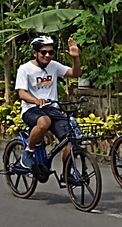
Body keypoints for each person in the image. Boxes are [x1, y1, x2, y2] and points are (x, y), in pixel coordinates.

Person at [15, 35, 81, 171]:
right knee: (44, 122)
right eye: (43, 52)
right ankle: (29, 150)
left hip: (51, 109)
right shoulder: (25, 69)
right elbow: (21, 93)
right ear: (35, 53)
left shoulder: (54, 66)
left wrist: (75, 57)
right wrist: (36, 100)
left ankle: (67, 175)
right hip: (31, 109)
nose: (47, 55)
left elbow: (75, 73)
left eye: (50, 52)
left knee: (73, 138)